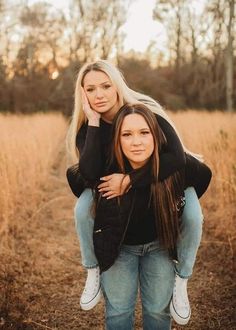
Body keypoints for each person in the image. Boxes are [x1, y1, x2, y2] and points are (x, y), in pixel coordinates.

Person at [66, 60, 212, 325]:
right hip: (114, 192)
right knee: (82, 209)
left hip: (173, 173)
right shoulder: (90, 128)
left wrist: (130, 180)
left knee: (192, 216)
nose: (99, 94)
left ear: (117, 86)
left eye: (105, 86)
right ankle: (93, 269)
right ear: (83, 94)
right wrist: (95, 121)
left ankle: (182, 278)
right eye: (90, 89)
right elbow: (89, 174)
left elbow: (177, 157)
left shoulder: (146, 112)